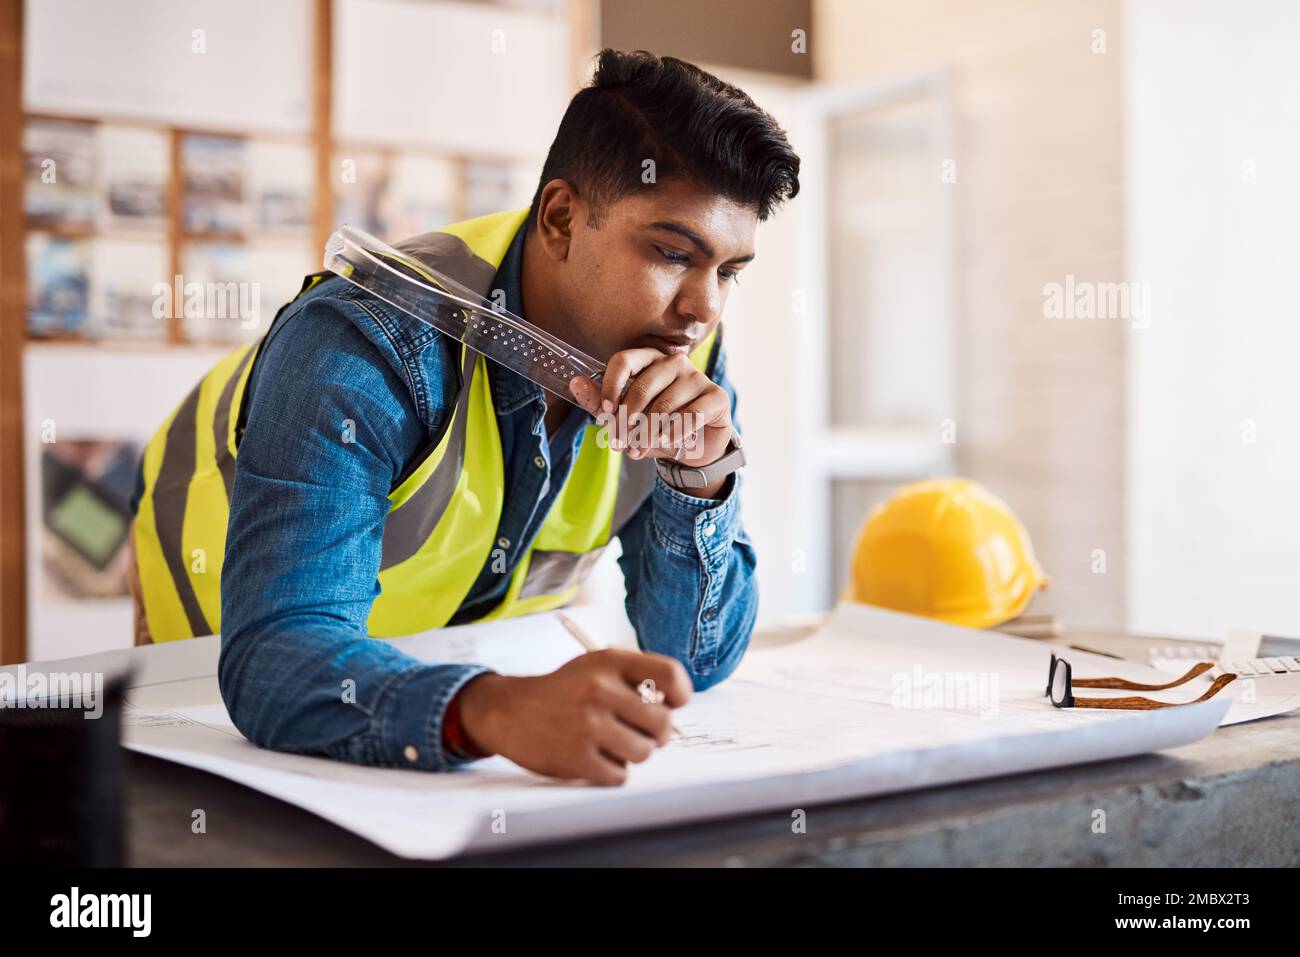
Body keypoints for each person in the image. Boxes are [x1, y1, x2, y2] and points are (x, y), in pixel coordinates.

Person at [126, 48, 800, 785]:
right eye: (673, 252)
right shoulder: (365, 341)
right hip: (206, 663)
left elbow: (693, 663)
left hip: (430, 675)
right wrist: (494, 711)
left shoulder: (683, 357)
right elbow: (272, 664)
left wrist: (698, 481)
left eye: (730, 271)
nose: (705, 308)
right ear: (562, 218)